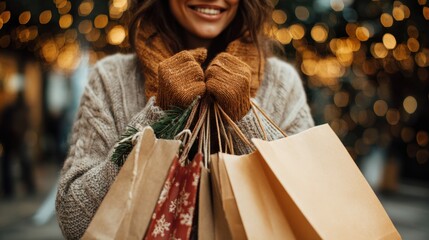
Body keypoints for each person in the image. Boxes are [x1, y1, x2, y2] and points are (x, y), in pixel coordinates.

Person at [55, 0, 314, 239]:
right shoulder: (111, 78)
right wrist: (158, 116)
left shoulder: (281, 83)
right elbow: (75, 221)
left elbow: (310, 210)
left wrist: (243, 115)